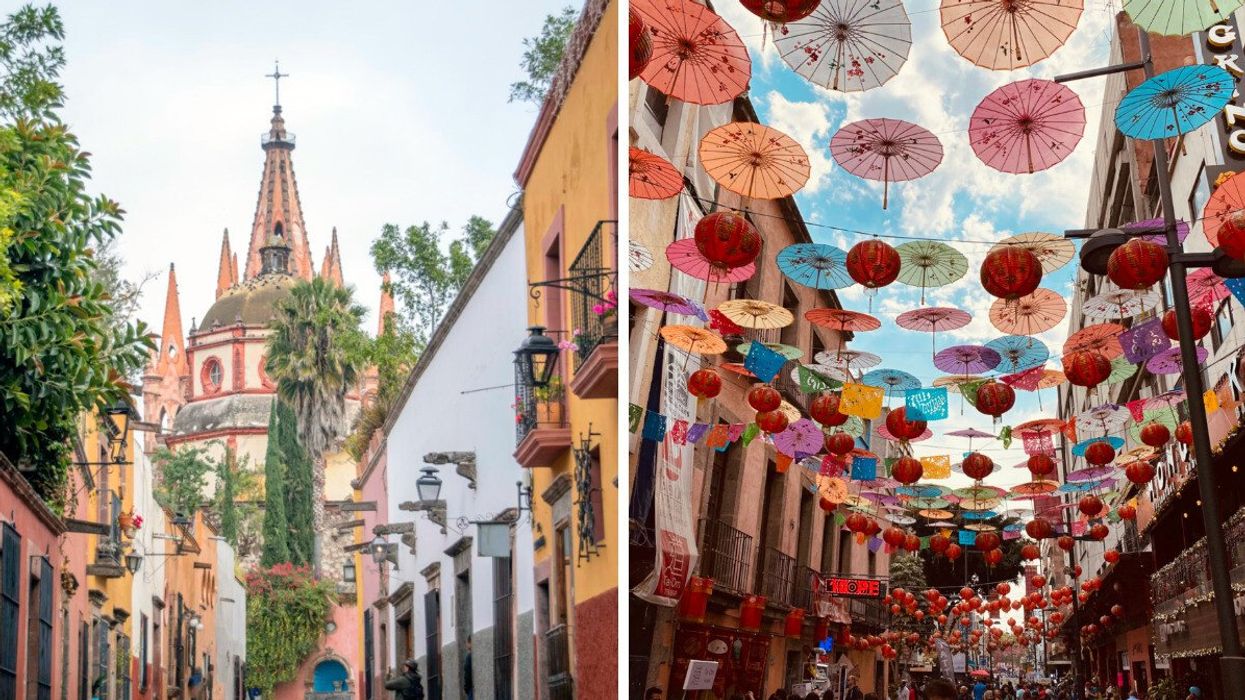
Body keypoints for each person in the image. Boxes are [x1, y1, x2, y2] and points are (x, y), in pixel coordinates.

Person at [463, 635, 474, 700]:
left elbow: (467, 674)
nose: (466, 645)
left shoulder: (469, 656)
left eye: (467, 643)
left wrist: (466, 688)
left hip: (471, 689)